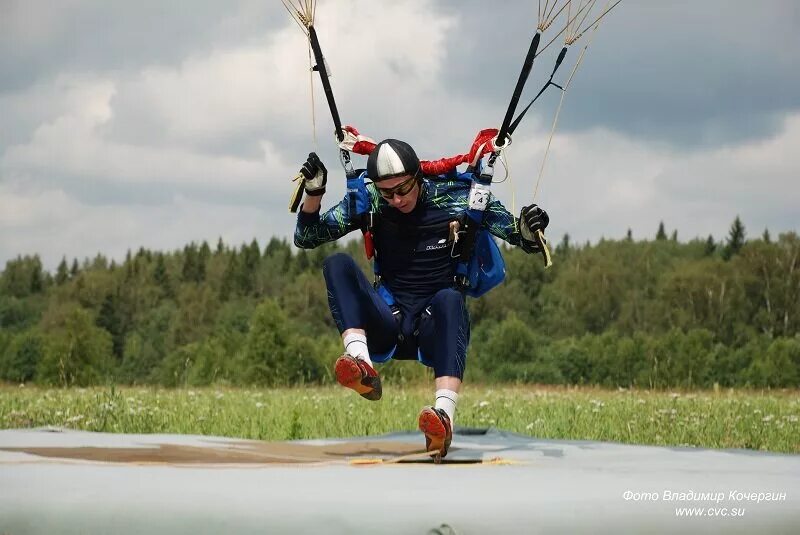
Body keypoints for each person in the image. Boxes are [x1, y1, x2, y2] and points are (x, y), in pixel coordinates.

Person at [293, 139, 549, 459]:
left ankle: (443, 417)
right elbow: (306, 237)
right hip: (389, 320)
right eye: (388, 193)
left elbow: (519, 236)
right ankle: (361, 364)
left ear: (418, 176)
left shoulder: (458, 196)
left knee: (450, 298)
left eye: (403, 188)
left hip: (435, 325)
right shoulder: (371, 199)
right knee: (336, 264)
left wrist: (529, 227)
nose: (397, 199)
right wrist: (314, 193)